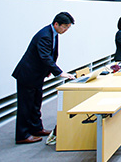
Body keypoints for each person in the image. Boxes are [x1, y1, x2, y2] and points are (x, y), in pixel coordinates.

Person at [12, 12, 76, 144]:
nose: (65, 30)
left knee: (36, 103)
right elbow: (45, 56)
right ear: (56, 24)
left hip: (37, 75)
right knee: (26, 106)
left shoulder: (53, 33)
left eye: (68, 28)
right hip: (27, 74)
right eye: (64, 27)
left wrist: (47, 71)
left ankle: (36, 128)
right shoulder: (44, 35)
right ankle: (22, 135)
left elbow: (52, 55)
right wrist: (59, 72)